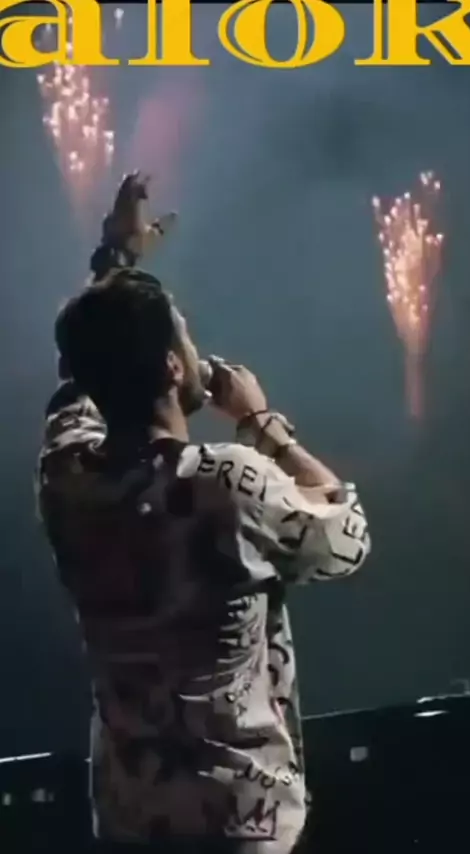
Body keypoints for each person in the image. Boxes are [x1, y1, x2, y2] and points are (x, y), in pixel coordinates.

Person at [37, 175, 371, 854]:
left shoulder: (65, 476)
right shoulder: (227, 481)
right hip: (236, 820)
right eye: (186, 341)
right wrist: (262, 423)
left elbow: (77, 377)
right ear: (171, 368)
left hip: (131, 817)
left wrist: (115, 259)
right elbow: (347, 538)